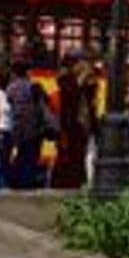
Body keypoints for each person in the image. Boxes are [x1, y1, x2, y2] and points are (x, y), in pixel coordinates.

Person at [51, 54, 88, 189]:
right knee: (70, 157)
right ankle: (68, 182)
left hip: (72, 127)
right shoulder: (69, 82)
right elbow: (71, 105)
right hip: (71, 127)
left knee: (70, 156)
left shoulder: (70, 81)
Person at [6, 61, 43, 189]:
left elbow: (10, 105)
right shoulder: (33, 86)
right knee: (31, 156)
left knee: (19, 154)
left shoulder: (10, 88)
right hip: (33, 127)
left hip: (16, 126)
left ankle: (17, 180)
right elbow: (41, 107)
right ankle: (28, 181)